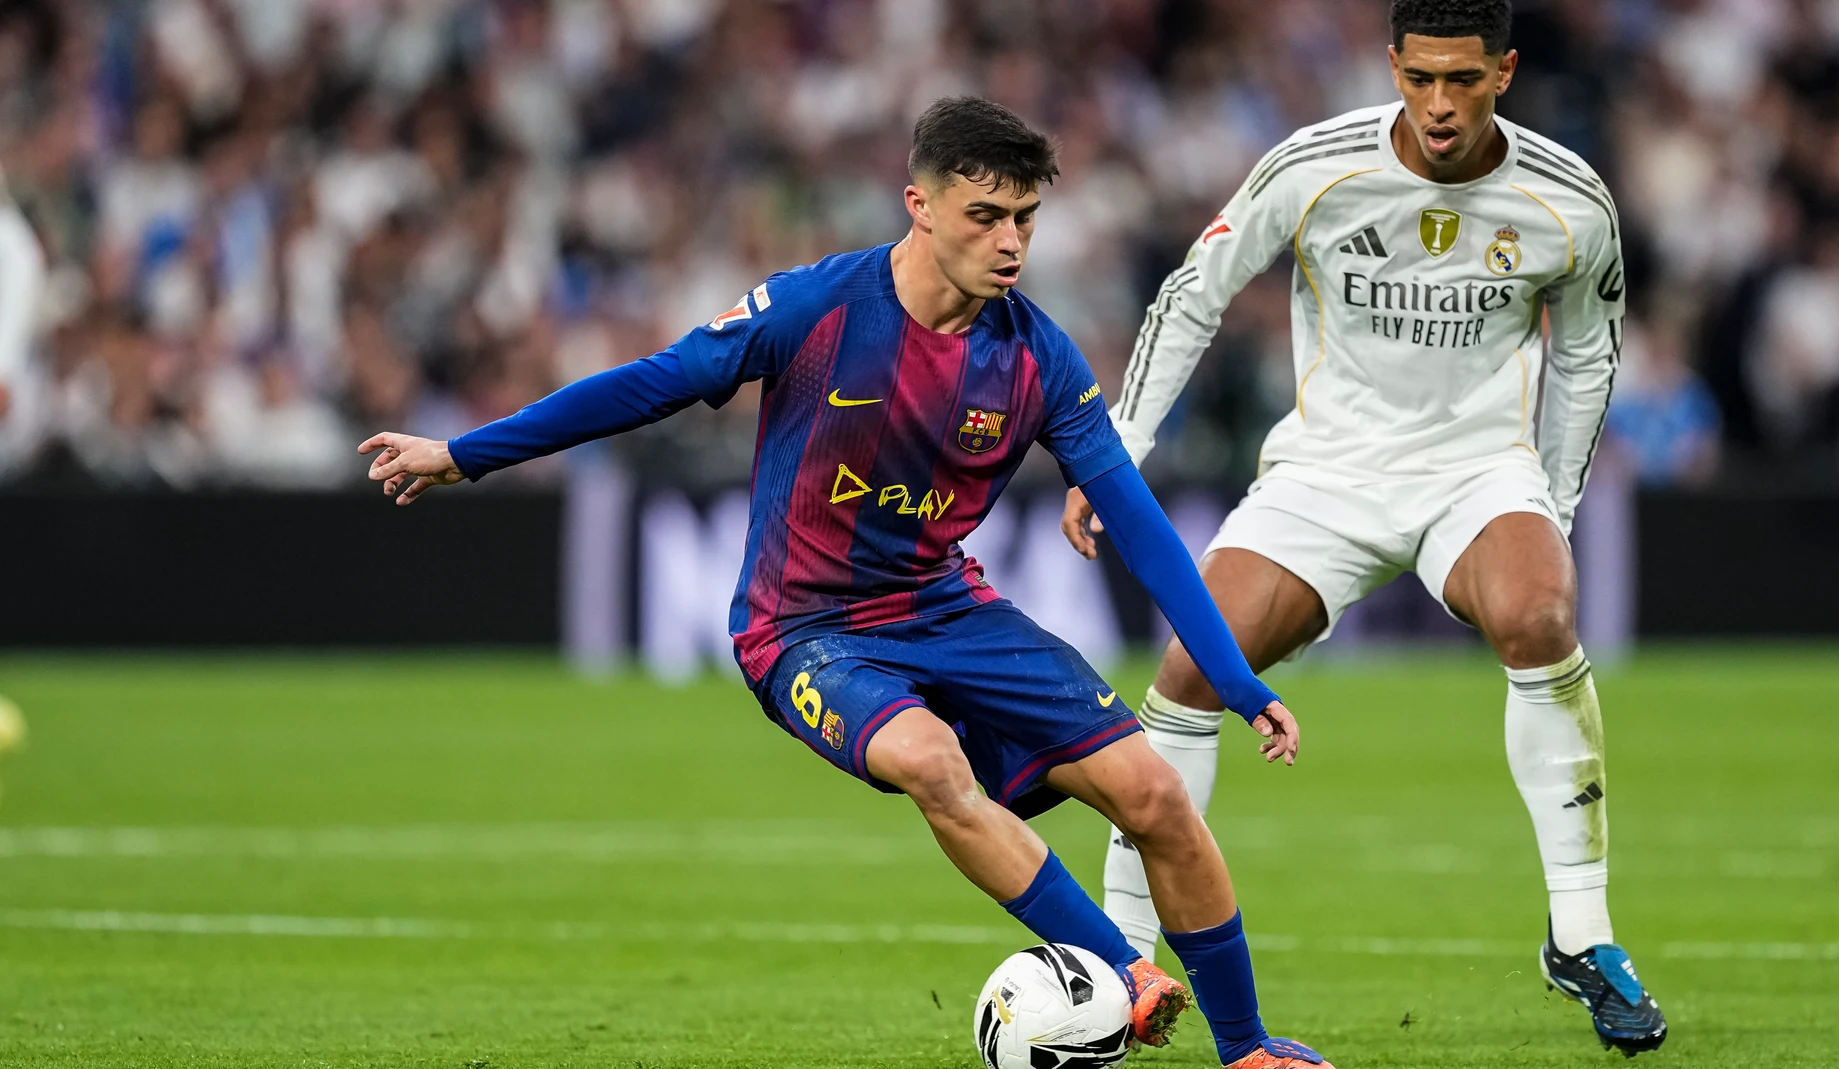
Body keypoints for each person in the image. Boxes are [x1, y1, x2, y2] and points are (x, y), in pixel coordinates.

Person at [360, 97, 1332, 1069]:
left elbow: (1141, 527)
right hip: (803, 629)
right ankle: (1119, 969)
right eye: (984, 216)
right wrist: (466, 453)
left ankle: (1246, 1050)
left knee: (1157, 794)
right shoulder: (815, 310)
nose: (1010, 243)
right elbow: (648, 382)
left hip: (945, 608)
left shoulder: (1036, 354)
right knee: (931, 764)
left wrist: (1237, 683)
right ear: (918, 203)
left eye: (1025, 219)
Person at [1064, 1, 1666, 1056]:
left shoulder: (1569, 200)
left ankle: (1581, 933)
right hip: (1327, 474)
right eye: (1420, 77)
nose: (1438, 104)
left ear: (1506, 73)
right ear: (1391, 65)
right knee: (1190, 669)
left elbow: (1583, 355)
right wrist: (1115, 448)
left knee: (1538, 610)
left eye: (1463, 81)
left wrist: (1552, 506)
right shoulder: (1313, 165)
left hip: (1475, 471)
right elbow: (1196, 291)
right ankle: (1123, 955)